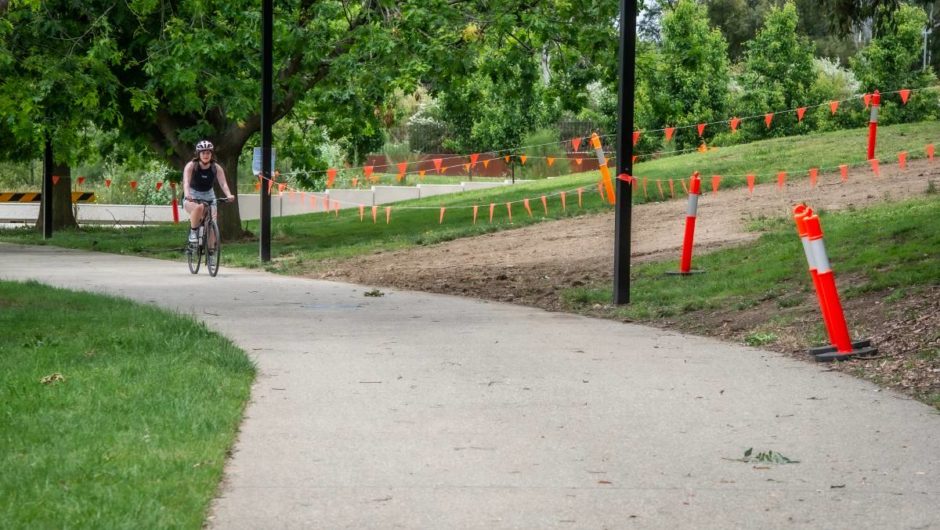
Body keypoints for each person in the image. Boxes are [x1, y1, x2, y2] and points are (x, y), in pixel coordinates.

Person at [182, 140, 235, 247]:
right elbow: (186, 182)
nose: (206, 155)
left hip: (209, 196)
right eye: (203, 153)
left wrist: (229, 195)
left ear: (211, 154)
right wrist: (187, 194)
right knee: (199, 207)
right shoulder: (191, 166)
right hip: (192, 195)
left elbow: (223, 183)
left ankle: (211, 253)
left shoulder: (216, 167)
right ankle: (193, 232)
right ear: (198, 154)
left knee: (212, 224)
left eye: (208, 153)